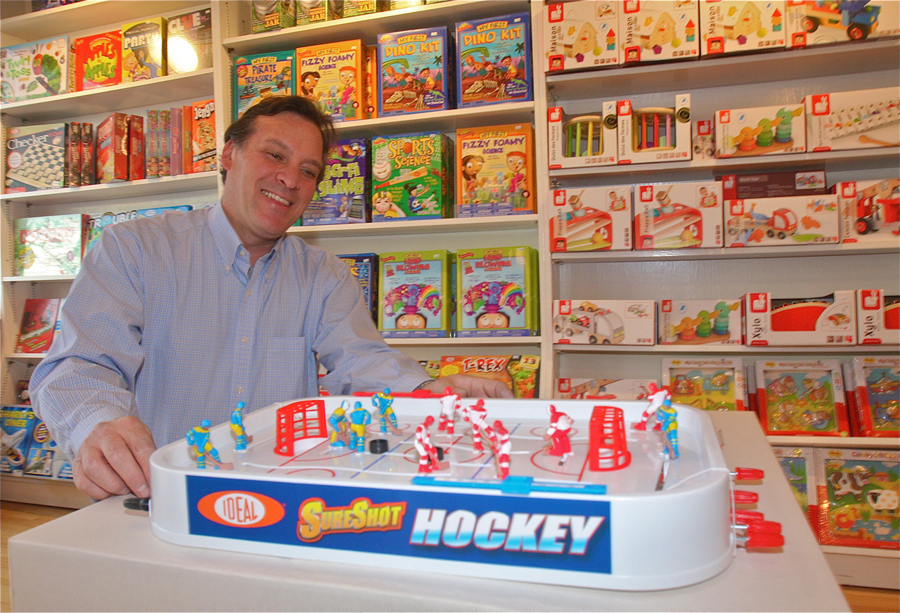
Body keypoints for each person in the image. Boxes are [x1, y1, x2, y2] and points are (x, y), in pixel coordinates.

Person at [30, 96, 511, 501]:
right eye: (275, 155)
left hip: (280, 504)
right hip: (156, 500)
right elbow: (77, 366)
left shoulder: (324, 275)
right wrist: (99, 425)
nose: (291, 180)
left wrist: (428, 393)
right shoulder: (133, 248)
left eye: (308, 170)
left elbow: (361, 362)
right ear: (227, 154)